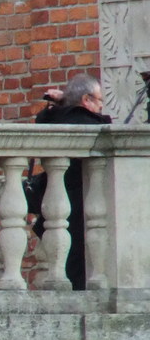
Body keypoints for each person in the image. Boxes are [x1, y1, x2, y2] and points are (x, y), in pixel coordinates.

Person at [30, 73, 107, 290]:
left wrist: (64, 100)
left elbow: (43, 118)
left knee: (67, 264)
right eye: (99, 101)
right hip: (78, 203)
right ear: (86, 100)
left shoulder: (52, 118)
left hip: (57, 204)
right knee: (80, 268)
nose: (101, 107)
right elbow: (105, 127)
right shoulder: (83, 122)